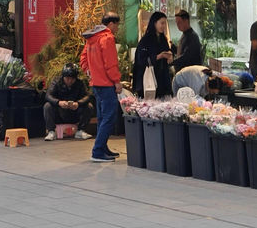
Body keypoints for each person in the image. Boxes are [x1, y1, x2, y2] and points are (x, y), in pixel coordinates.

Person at [80, 12, 122, 162]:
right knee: (109, 117)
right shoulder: (107, 38)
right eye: (117, 25)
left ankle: (103, 147)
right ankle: (98, 150)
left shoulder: (91, 38)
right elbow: (110, 64)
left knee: (101, 117)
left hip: (96, 84)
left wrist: (89, 72)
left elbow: (83, 59)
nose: (117, 28)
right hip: (106, 84)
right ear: (111, 24)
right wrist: (117, 81)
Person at [44, 63, 92, 141]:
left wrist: (78, 103)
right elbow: (48, 95)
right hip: (59, 113)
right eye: (67, 78)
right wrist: (58, 102)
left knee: (89, 106)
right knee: (47, 106)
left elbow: (87, 96)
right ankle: (51, 131)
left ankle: (81, 130)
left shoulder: (80, 83)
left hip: (74, 113)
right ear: (63, 77)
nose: (69, 81)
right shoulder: (56, 82)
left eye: (72, 79)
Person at [132, 11, 174, 98]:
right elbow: (141, 60)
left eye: (164, 24)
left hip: (162, 79)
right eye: (161, 23)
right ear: (154, 23)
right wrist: (160, 56)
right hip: (149, 79)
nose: (163, 26)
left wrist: (169, 54)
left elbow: (167, 50)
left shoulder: (163, 39)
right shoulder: (146, 40)